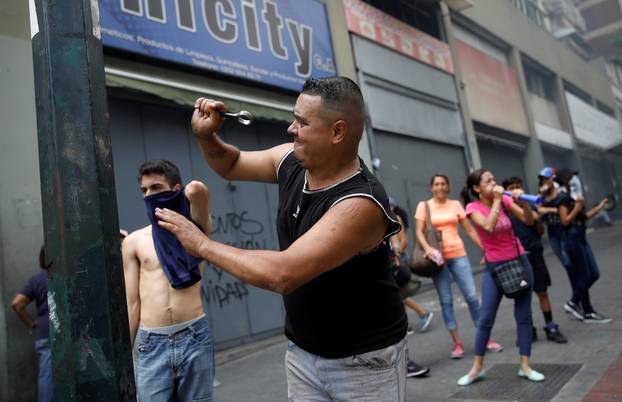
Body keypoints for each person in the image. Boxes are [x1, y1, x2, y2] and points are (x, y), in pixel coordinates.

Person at [156, 77, 409, 401]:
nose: (291, 128)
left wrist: (201, 244)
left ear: (337, 132)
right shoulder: (291, 160)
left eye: (302, 122)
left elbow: (283, 273)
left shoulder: (359, 203)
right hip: (304, 353)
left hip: (365, 364)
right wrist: (207, 136)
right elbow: (231, 164)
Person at [121, 160, 214, 402]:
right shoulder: (134, 242)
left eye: (156, 188)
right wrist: (125, 354)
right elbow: (132, 303)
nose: (149, 195)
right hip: (151, 341)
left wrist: (181, 199)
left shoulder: (195, 230)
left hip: (194, 334)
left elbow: (198, 189)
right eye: (144, 190)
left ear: (175, 189)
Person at [457, 169, 544, 386]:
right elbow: (488, 226)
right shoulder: (472, 208)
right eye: (488, 181)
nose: (494, 183)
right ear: (477, 188)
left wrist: (522, 201)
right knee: (485, 319)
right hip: (495, 267)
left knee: (524, 316)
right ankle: (477, 367)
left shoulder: (504, 199)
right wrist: (498, 200)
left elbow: (528, 219)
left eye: (494, 179)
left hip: (520, 260)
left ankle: (525, 365)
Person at [415, 174, 503, 359]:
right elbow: (418, 232)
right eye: (436, 184)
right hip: (437, 260)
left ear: (448, 187)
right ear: (432, 188)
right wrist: (428, 248)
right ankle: (457, 343)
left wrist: (486, 249)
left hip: (458, 255)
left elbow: (469, 229)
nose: (439, 187)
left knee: (471, 297)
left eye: (443, 184)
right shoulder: (424, 206)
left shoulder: (455, 205)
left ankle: (485, 339)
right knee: (446, 301)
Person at [538, 167, 611, 324]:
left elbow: (579, 215)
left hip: (576, 232)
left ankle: (574, 301)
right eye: (543, 179)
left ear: (554, 178)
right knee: (573, 269)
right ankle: (584, 308)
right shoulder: (546, 196)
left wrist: (597, 208)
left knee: (591, 274)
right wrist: (552, 208)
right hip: (560, 235)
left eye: (548, 178)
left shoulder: (565, 195)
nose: (546, 181)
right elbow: (542, 211)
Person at [502, 177, 567, 343]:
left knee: (542, 292)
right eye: (512, 187)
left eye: (518, 186)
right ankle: (529, 330)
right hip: (516, 257)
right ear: (507, 191)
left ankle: (551, 327)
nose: (516, 190)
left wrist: (537, 219)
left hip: (535, 254)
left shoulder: (530, 204)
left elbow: (539, 231)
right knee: (522, 296)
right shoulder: (505, 210)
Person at [388, 199, 431, 379]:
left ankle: (403, 362)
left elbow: (399, 240)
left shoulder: (389, 216)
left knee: (395, 309)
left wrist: (395, 254)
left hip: (390, 267)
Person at [11, 246, 52, 402]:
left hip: (44, 334)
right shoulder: (67, 274)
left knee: (47, 378)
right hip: (67, 335)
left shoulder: (37, 279)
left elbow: (17, 304)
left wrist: (31, 324)